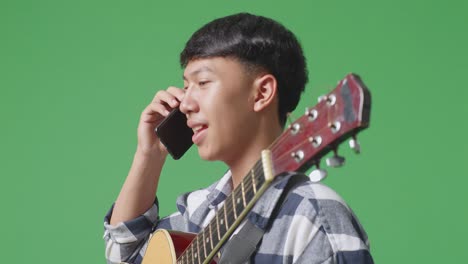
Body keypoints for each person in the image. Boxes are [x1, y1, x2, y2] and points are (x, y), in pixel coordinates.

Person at [103, 13, 374, 264]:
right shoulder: (202, 210)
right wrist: (148, 155)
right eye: (186, 87)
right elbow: (124, 254)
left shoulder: (313, 214)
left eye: (203, 82)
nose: (185, 103)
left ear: (261, 93)